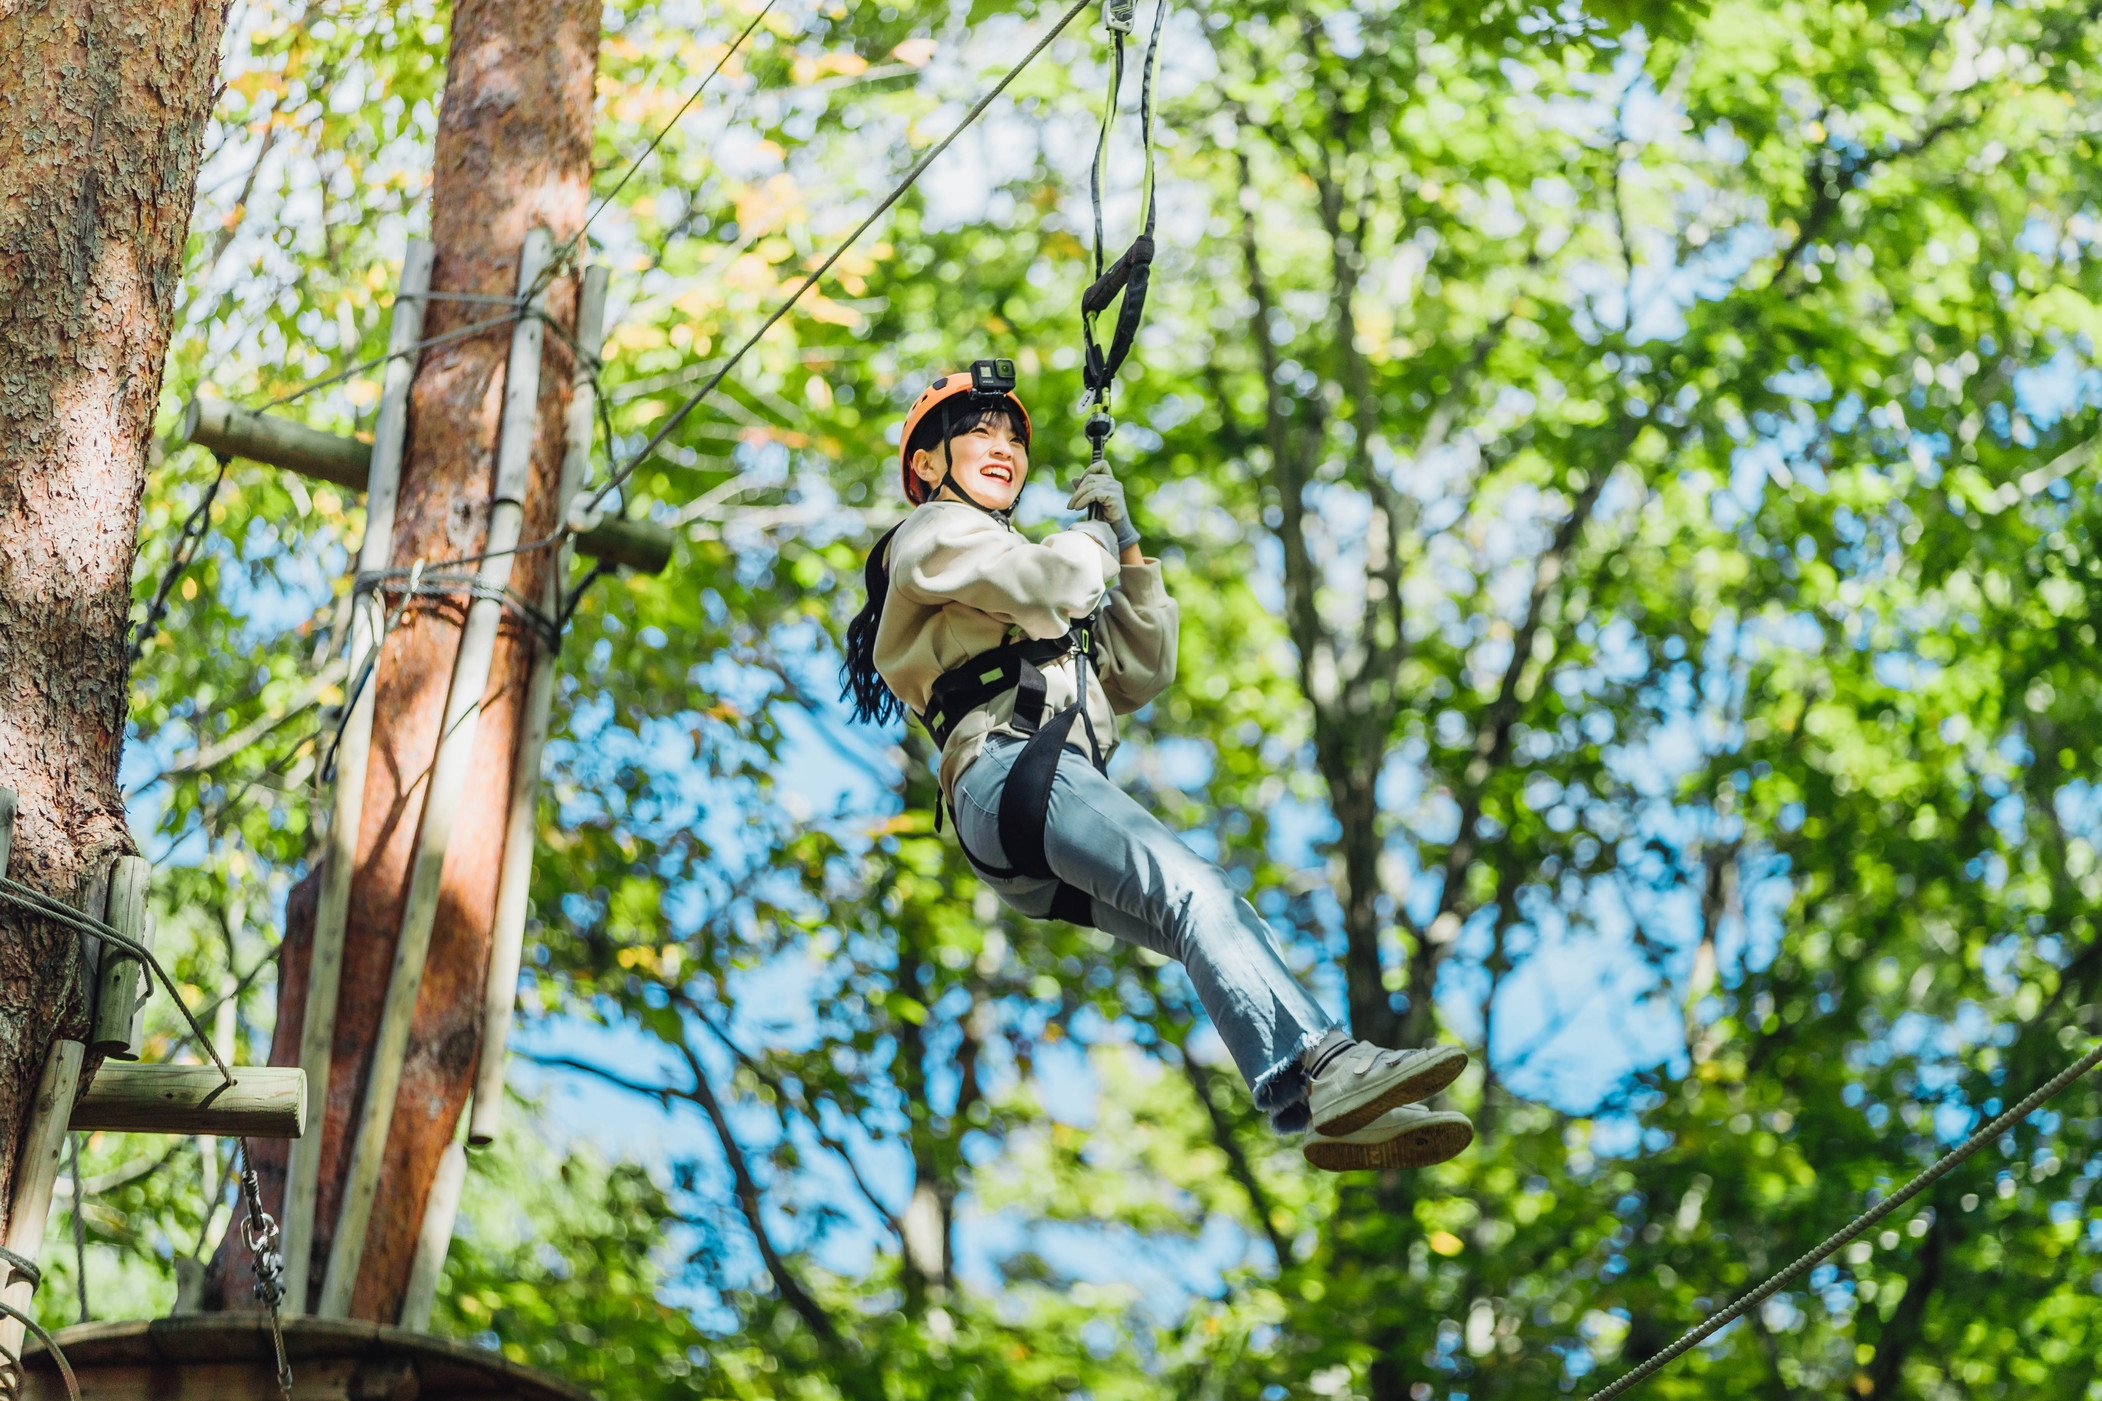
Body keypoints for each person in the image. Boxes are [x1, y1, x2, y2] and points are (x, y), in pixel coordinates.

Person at [840, 362, 1473, 1171]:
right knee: (1194, 890)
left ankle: (1319, 1098)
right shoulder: (931, 537)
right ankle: (1330, 1061)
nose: (1001, 446)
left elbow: (1137, 671)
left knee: (1209, 913)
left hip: (1028, 808)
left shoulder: (1000, 579)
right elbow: (1062, 579)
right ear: (928, 464)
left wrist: (1127, 544)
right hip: (1011, 774)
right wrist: (1093, 545)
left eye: (1011, 435)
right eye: (976, 431)